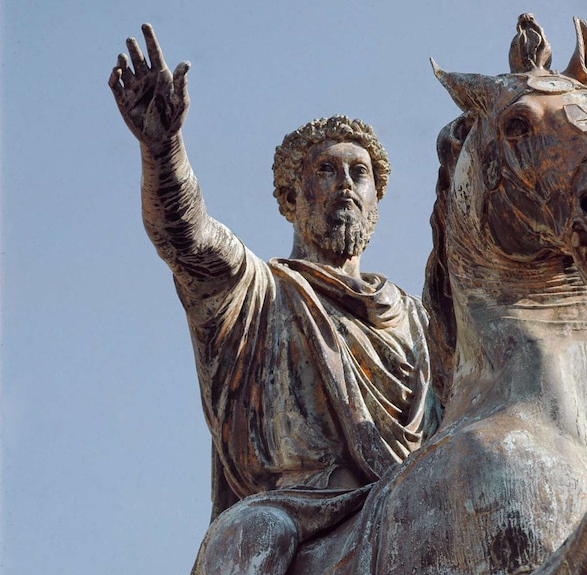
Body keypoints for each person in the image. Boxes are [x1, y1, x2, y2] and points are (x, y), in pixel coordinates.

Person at [109, 24, 437, 575]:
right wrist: (161, 150)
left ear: (376, 206)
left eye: (360, 175)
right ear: (290, 196)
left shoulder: (419, 319)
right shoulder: (255, 289)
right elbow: (185, 237)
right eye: (326, 171)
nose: (346, 185)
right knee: (251, 535)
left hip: (410, 510)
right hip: (292, 509)